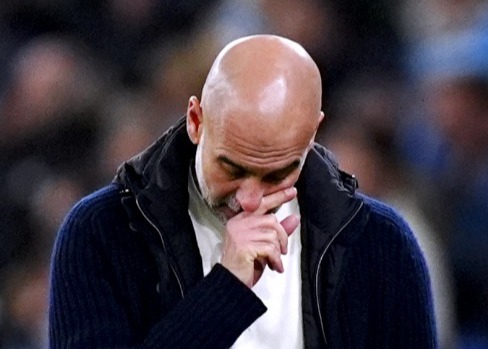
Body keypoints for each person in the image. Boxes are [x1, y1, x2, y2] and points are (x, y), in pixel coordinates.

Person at [49, 34, 437, 348]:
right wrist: (225, 291)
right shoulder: (101, 232)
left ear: (312, 132)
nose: (250, 199)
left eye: (276, 175)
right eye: (232, 168)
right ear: (196, 120)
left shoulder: (382, 244)